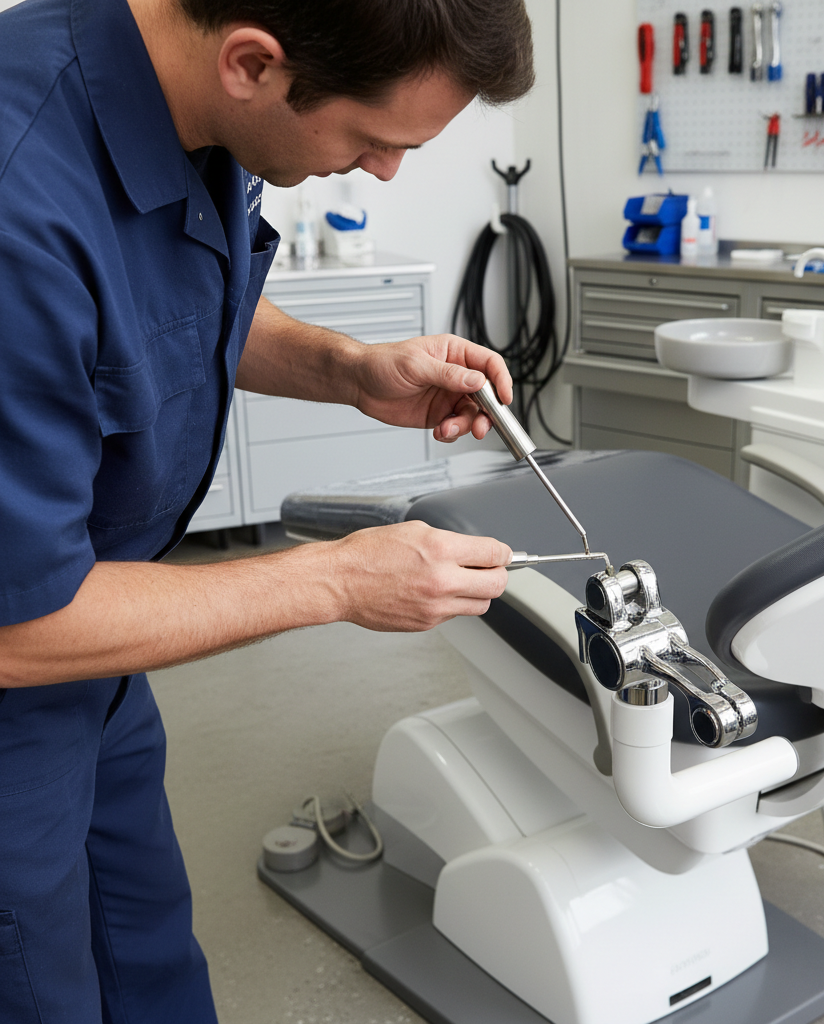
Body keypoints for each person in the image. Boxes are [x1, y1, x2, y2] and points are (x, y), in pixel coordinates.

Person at [0, 0, 534, 1019]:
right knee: (39, 982)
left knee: (145, 948)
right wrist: (335, 576)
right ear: (256, 62)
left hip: (101, 668)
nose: (385, 174)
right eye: (375, 142)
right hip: (30, 662)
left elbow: (183, 299)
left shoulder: (193, 100)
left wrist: (349, 367)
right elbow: (17, 626)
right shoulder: (18, 202)